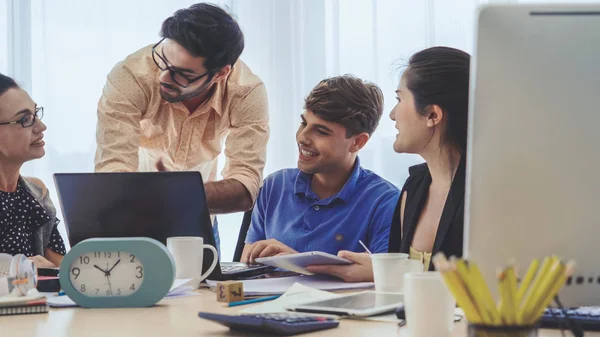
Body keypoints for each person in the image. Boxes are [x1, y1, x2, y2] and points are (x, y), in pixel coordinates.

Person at [307, 47, 470, 281]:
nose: (392, 114)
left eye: (399, 99)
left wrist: (383, 273)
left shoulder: (482, 197)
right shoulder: (413, 188)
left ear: (432, 115)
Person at [95, 3, 269, 217]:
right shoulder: (129, 76)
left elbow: (246, 187)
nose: (163, 77)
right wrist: (153, 197)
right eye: (163, 59)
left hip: (199, 214)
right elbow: (112, 169)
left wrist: (181, 194)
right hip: (131, 213)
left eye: (183, 74)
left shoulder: (246, 92)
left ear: (220, 74)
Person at [241, 75, 400, 264]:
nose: (302, 137)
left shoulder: (385, 202)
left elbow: (386, 281)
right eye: (304, 123)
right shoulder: (274, 186)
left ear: (357, 142)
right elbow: (245, 268)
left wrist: (298, 263)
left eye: (321, 131)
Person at [0, 73, 66, 268]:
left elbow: (65, 271)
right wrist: (19, 271)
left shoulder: (37, 193)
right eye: (25, 119)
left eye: (36, 114)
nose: (41, 127)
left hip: (36, 299)